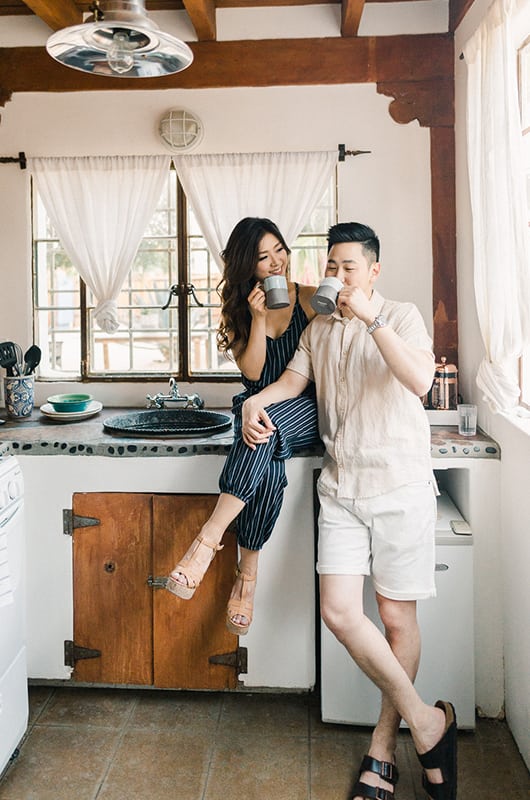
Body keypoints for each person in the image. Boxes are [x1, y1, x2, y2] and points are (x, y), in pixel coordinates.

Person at [241, 222, 457, 800]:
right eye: (331, 266)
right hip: (341, 487)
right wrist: (254, 402)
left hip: (400, 487)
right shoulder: (317, 325)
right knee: (339, 612)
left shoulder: (402, 315)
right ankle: (428, 720)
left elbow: (418, 379)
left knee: (395, 621)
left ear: (373, 271)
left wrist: (371, 317)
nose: (336, 277)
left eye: (348, 268)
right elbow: (291, 380)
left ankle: (382, 751)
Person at [166, 217, 321, 636]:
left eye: (279, 251)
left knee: (264, 429)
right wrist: (256, 318)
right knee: (267, 463)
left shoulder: (309, 299)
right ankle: (246, 579)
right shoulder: (239, 310)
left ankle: (206, 542)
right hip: (257, 408)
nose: (275, 263)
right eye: (262, 257)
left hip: (305, 407)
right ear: (246, 266)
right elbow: (254, 374)